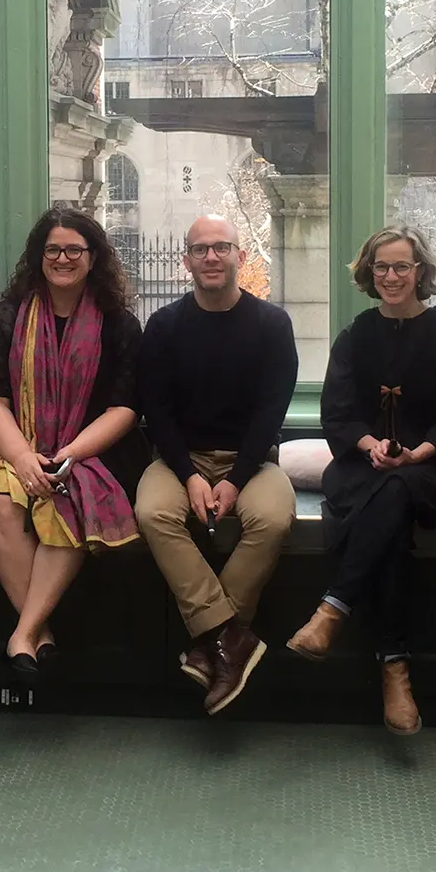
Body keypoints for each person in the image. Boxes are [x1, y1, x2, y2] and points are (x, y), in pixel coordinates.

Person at [287, 226, 436, 736]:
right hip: (364, 464)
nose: (391, 276)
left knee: (395, 491)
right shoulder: (356, 335)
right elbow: (337, 413)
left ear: (421, 272)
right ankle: (395, 668)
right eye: (381, 267)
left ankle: (333, 611)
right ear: (369, 273)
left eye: (402, 266)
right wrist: (371, 446)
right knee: (389, 509)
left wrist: (418, 452)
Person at [135, 215, 298, 715]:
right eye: (201, 249)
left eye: (221, 248)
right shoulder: (163, 326)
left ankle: (213, 645)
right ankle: (232, 637)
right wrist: (187, 475)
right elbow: (155, 411)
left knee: (272, 518)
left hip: (250, 461)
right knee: (151, 513)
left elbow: (272, 410)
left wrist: (235, 480)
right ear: (186, 260)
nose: (211, 257)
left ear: (239, 257)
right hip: (178, 460)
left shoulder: (272, 325)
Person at [0, 208, 147, 675]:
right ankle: (39, 634)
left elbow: (125, 409)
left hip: (93, 453)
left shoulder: (119, 325)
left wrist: (66, 455)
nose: (63, 258)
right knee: (0, 508)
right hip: (18, 447)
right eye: (53, 249)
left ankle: (23, 633)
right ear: (38, 257)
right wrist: (22, 457)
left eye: (75, 249)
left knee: (67, 500)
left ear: (93, 259)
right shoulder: (7, 317)